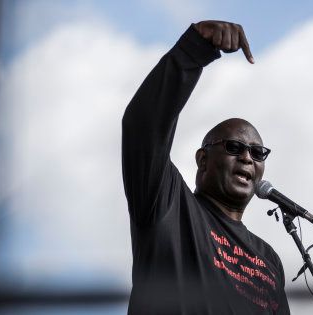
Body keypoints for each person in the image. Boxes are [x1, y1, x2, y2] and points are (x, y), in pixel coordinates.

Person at [122, 20, 290, 314]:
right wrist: (192, 51)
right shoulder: (169, 204)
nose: (248, 158)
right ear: (203, 159)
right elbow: (143, 128)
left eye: (258, 152)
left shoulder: (269, 261)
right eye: (234, 148)